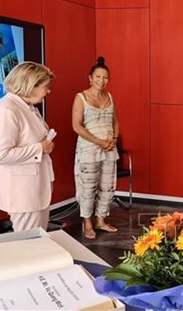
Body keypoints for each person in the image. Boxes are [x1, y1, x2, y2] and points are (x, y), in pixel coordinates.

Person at [0, 62, 55, 232]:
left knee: (37, 240)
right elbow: (1, 155)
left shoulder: (28, 106)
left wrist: (44, 144)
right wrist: (40, 148)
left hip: (34, 187)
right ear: (30, 85)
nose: (48, 91)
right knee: (28, 244)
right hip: (22, 192)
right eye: (46, 87)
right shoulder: (7, 110)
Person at [72, 57, 120, 240]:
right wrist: (99, 142)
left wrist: (114, 139)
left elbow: (115, 121)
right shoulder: (81, 98)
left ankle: (100, 220)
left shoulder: (109, 97)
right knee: (88, 187)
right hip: (89, 150)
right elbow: (77, 126)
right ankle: (88, 223)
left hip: (108, 149)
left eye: (105, 77)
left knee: (107, 186)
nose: (102, 80)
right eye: (98, 76)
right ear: (90, 78)